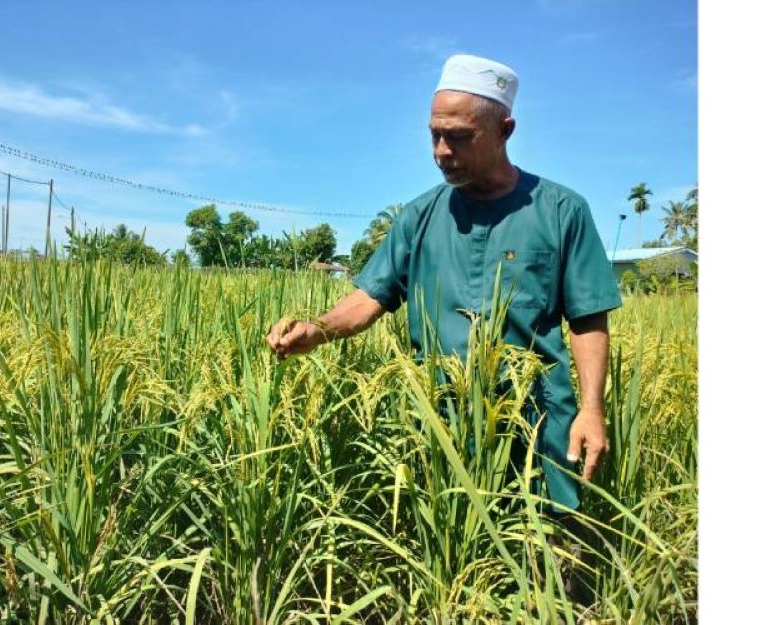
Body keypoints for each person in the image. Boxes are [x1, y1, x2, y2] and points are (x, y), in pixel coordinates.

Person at [265, 53, 621, 516]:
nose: (441, 152)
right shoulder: (419, 216)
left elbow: (588, 318)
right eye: (434, 134)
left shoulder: (561, 210)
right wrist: (317, 330)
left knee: (547, 551)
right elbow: (370, 296)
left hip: (535, 419)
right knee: (447, 548)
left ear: (504, 131)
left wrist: (592, 408)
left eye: (458, 137)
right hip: (440, 419)